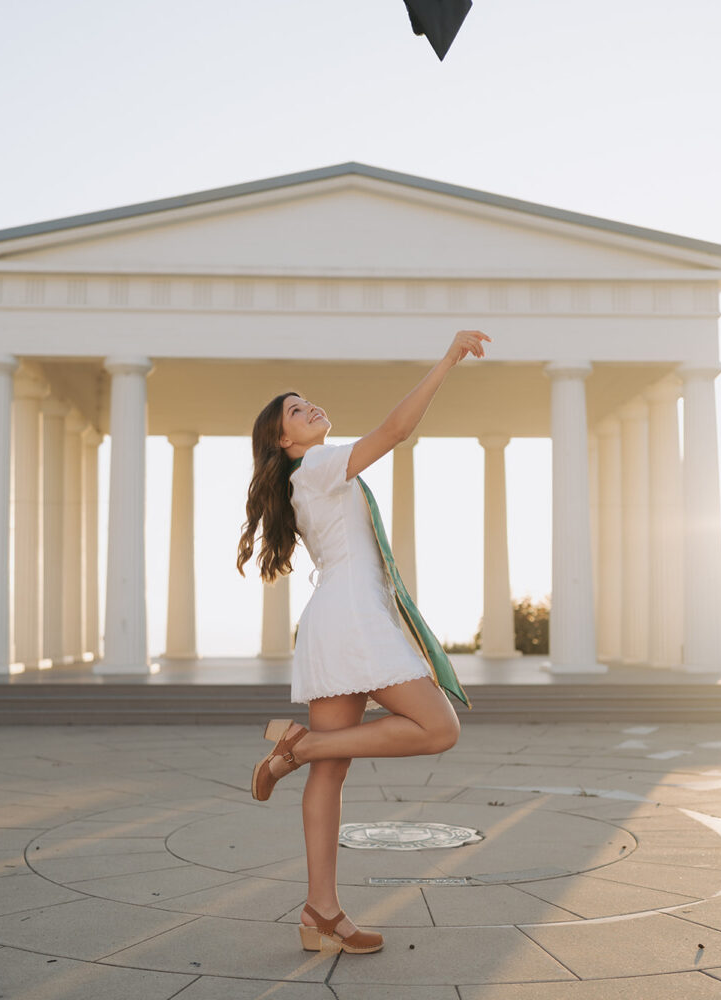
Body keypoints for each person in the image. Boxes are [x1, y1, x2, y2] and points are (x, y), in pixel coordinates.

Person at [236, 329, 491, 955]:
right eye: (297, 410)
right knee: (439, 729)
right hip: (353, 621)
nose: (311, 407)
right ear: (283, 439)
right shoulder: (319, 465)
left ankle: (320, 912)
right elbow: (394, 431)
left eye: (306, 401)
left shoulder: (306, 477)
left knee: (331, 771)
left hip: (334, 619)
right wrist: (446, 360)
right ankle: (299, 748)